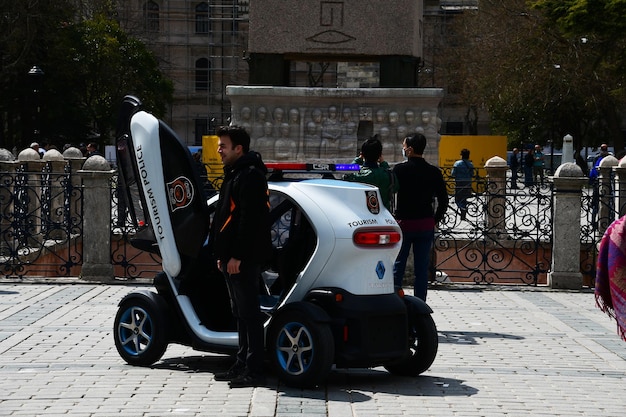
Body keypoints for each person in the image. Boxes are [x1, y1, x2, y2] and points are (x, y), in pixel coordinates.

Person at [209, 125, 272, 388]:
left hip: (243, 258)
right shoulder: (236, 173)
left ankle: (254, 370)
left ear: (239, 148)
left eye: (223, 145)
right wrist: (223, 254)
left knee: (249, 313)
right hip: (232, 258)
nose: (219, 150)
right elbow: (228, 217)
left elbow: (249, 222)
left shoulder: (250, 176)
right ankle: (242, 363)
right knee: (240, 312)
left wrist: (236, 256)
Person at [392, 133, 448, 301]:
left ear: (409, 149)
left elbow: (390, 193)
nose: (402, 149)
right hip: (424, 224)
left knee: (398, 266)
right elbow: (444, 200)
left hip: (404, 224)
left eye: (404, 146)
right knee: (422, 269)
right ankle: (420, 303)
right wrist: (435, 219)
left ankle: (395, 301)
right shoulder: (434, 172)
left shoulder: (399, 170)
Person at [343, 137, 398, 212]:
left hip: (359, 214)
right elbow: (395, 187)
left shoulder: (354, 175)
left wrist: (357, 160)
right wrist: (384, 164)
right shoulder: (387, 175)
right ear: (380, 155)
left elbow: (346, 174)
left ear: (362, 154)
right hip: (382, 214)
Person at [451, 148, 474, 220]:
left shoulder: (457, 164)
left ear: (461, 155)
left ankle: (462, 208)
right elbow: (472, 174)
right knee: (464, 198)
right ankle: (463, 214)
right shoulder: (470, 164)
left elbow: (453, 174)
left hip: (459, 183)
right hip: (467, 183)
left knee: (458, 199)